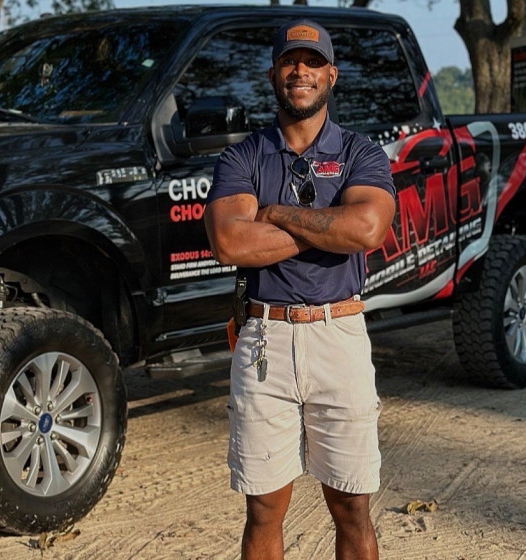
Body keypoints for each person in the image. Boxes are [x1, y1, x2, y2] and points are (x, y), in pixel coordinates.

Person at [204, 19, 396, 560]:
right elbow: (229, 242)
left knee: (352, 506)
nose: (300, 71)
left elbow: (367, 229)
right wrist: (330, 226)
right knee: (264, 508)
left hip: (340, 331)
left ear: (332, 75)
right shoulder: (242, 157)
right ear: (273, 74)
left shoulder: (361, 152)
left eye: (313, 62)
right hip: (266, 337)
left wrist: (276, 215)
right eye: (290, 61)